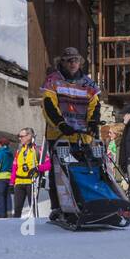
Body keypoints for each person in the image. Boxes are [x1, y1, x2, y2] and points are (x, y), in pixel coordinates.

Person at [41, 46, 100, 215]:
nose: (73, 63)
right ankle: (58, 207)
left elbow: (94, 105)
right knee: (58, 172)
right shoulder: (52, 81)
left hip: (83, 136)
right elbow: (48, 105)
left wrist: (93, 124)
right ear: (63, 63)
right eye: (70, 60)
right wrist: (60, 124)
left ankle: (87, 202)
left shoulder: (88, 84)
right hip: (60, 135)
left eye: (76, 60)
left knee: (86, 169)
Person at [11, 128, 41, 218]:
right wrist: (11, 183)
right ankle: (14, 228)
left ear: (29, 136)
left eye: (21, 136)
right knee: (17, 209)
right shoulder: (19, 150)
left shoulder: (38, 149)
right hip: (19, 183)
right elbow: (14, 167)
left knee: (33, 208)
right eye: (19, 136)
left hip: (31, 183)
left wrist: (37, 168)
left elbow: (48, 165)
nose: (20, 138)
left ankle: (37, 226)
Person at [0, 138, 14, 217]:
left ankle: (0, 213)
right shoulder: (10, 154)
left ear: (1, 144)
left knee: (0, 195)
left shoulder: (0, 153)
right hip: (9, 176)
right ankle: (9, 212)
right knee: (8, 195)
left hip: (1, 177)